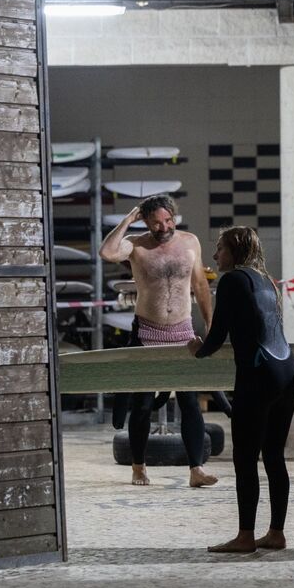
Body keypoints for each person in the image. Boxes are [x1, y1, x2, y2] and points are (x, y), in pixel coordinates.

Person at [187, 226, 294, 553]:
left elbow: (218, 334)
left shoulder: (233, 280)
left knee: (245, 458)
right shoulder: (266, 280)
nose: (215, 255)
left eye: (219, 248)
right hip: (287, 368)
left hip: (258, 372)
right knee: (274, 455)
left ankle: (245, 536)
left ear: (234, 251)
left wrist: (199, 349)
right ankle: (276, 533)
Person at [98, 194, 218, 488]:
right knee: (142, 404)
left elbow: (200, 284)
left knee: (190, 401)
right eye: (156, 223)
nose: (164, 227)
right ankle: (138, 466)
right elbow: (106, 252)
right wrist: (127, 220)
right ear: (146, 223)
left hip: (183, 330)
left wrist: (211, 325)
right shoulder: (136, 245)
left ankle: (196, 469)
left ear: (174, 217)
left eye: (168, 220)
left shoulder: (190, 242)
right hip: (147, 332)